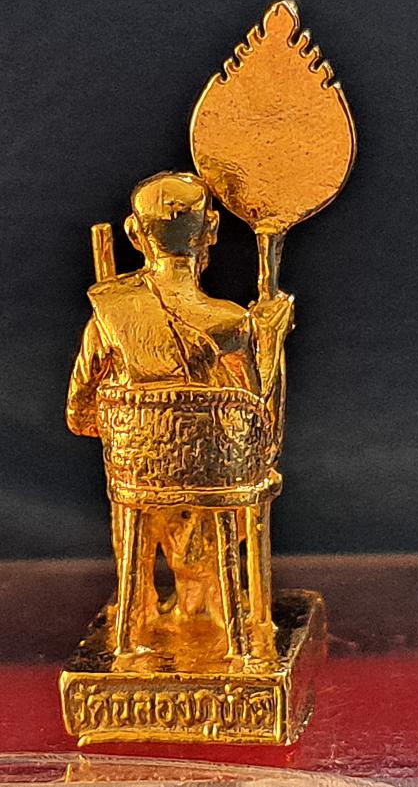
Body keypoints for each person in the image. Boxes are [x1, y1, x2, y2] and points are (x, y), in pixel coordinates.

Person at [66, 171, 294, 661]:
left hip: (136, 482)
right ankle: (213, 607)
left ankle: (138, 611)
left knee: (143, 492)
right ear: (211, 229)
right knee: (217, 486)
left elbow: (79, 415)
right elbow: (261, 435)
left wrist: (143, 431)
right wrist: (273, 343)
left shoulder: (109, 313)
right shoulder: (233, 323)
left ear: (133, 233)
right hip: (217, 484)